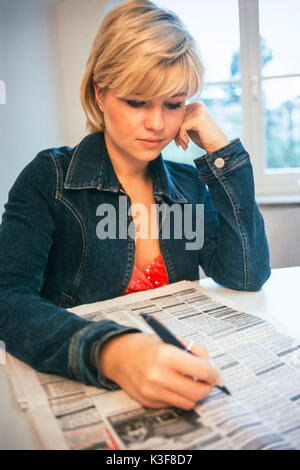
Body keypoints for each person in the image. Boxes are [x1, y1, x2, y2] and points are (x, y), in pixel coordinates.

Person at [0, 0, 270, 411]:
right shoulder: (50, 178)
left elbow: (245, 275)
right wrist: (113, 353)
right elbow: (7, 297)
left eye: (173, 103)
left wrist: (222, 154)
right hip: (87, 390)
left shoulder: (188, 187)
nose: (158, 124)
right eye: (137, 102)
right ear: (100, 93)